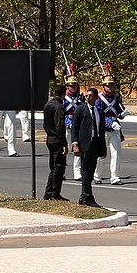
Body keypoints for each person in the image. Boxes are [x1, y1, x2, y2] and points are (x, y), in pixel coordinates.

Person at [70, 77, 103, 208]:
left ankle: (84, 196)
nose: (88, 98)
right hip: (84, 144)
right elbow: (75, 128)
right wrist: (75, 144)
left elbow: (100, 129)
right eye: (87, 96)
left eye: (91, 96)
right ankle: (87, 196)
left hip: (95, 143)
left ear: (96, 97)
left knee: (91, 170)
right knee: (85, 171)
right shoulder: (80, 109)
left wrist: (102, 147)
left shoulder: (98, 111)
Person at [41, 80, 69, 200]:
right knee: (59, 167)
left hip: (49, 138)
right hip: (57, 140)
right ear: (63, 94)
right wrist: (64, 143)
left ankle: (49, 193)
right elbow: (60, 126)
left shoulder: (48, 105)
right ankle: (55, 193)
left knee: (53, 167)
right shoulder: (59, 107)